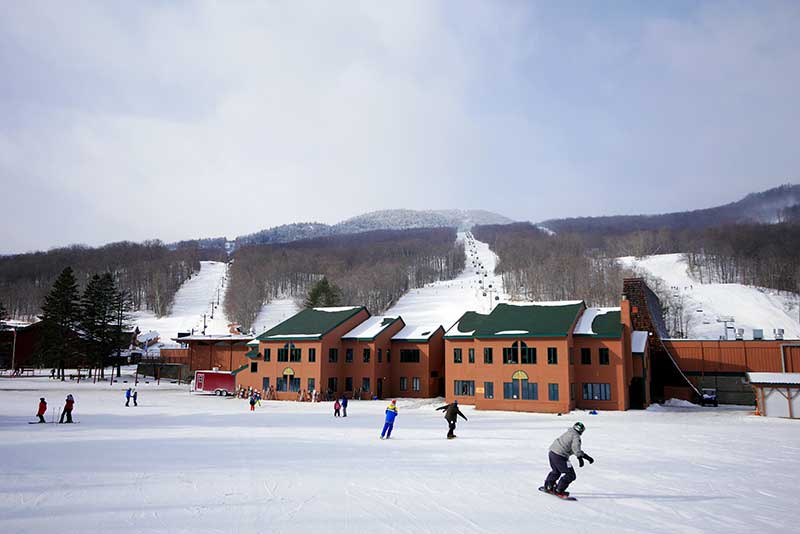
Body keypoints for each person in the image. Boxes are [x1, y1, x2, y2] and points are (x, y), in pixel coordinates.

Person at [543, 422, 594, 497]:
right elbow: (576, 448)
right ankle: (559, 490)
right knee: (570, 474)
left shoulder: (569, 433)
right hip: (560, 456)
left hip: (552, 453)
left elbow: (573, 449)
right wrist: (579, 458)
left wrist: (586, 457)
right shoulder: (576, 437)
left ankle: (548, 485)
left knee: (556, 471)